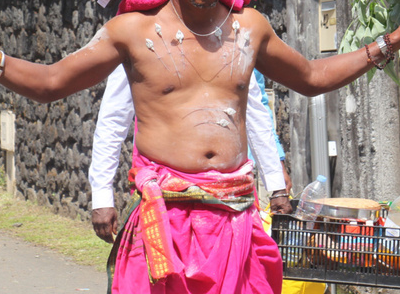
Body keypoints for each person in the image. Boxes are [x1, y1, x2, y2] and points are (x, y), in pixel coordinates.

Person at [0, 0, 400, 294]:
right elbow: (51, 83)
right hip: (167, 222)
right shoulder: (133, 31)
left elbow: (312, 78)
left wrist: (394, 40)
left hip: (236, 220)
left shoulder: (249, 28)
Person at [89, 65, 292, 244]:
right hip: (166, 198)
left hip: (232, 195)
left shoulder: (235, 40)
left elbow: (255, 111)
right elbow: (113, 120)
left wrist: (277, 186)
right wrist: (102, 197)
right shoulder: (140, 39)